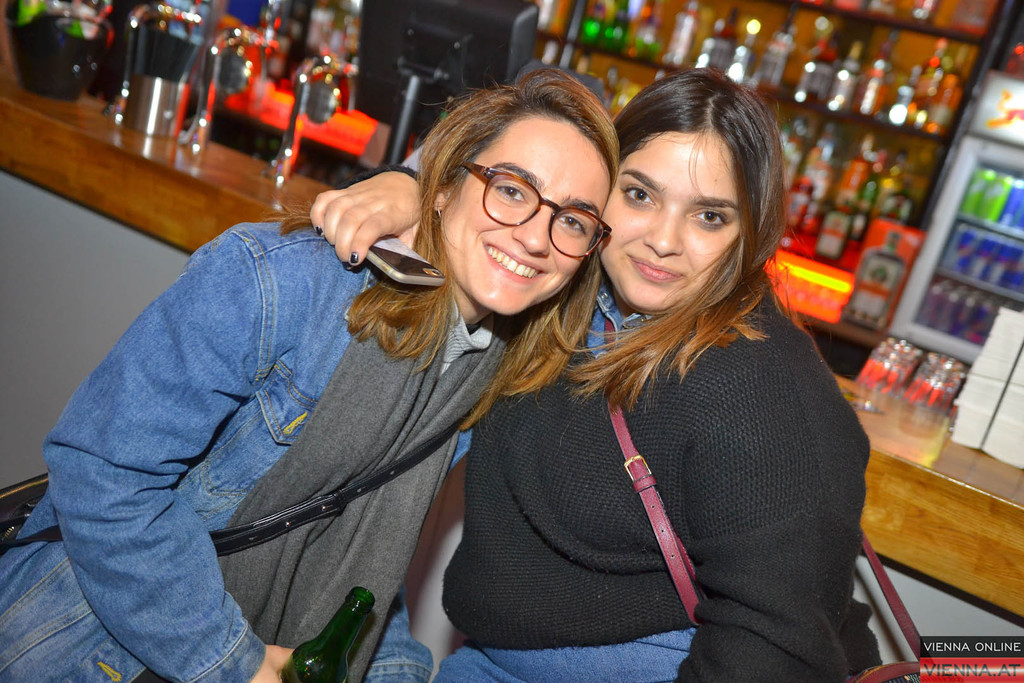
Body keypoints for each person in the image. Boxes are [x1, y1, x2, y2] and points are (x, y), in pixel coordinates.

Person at [0, 68, 617, 683]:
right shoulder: (283, 281)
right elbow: (103, 474)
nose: (536, 236)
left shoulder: (481, 368)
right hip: (86, 650)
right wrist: (236, 666)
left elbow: (355, 559)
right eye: (511, 189)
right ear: (445, 185)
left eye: (573, 220)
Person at [311, 67, 882, 681]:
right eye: (639, 195)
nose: (663, 240)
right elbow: (513, 146)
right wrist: (410, 184)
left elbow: (777, 647)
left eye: (710, 217)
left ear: (753, 232)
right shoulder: (554, 287)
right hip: (480, 664)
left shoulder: (762, 385)